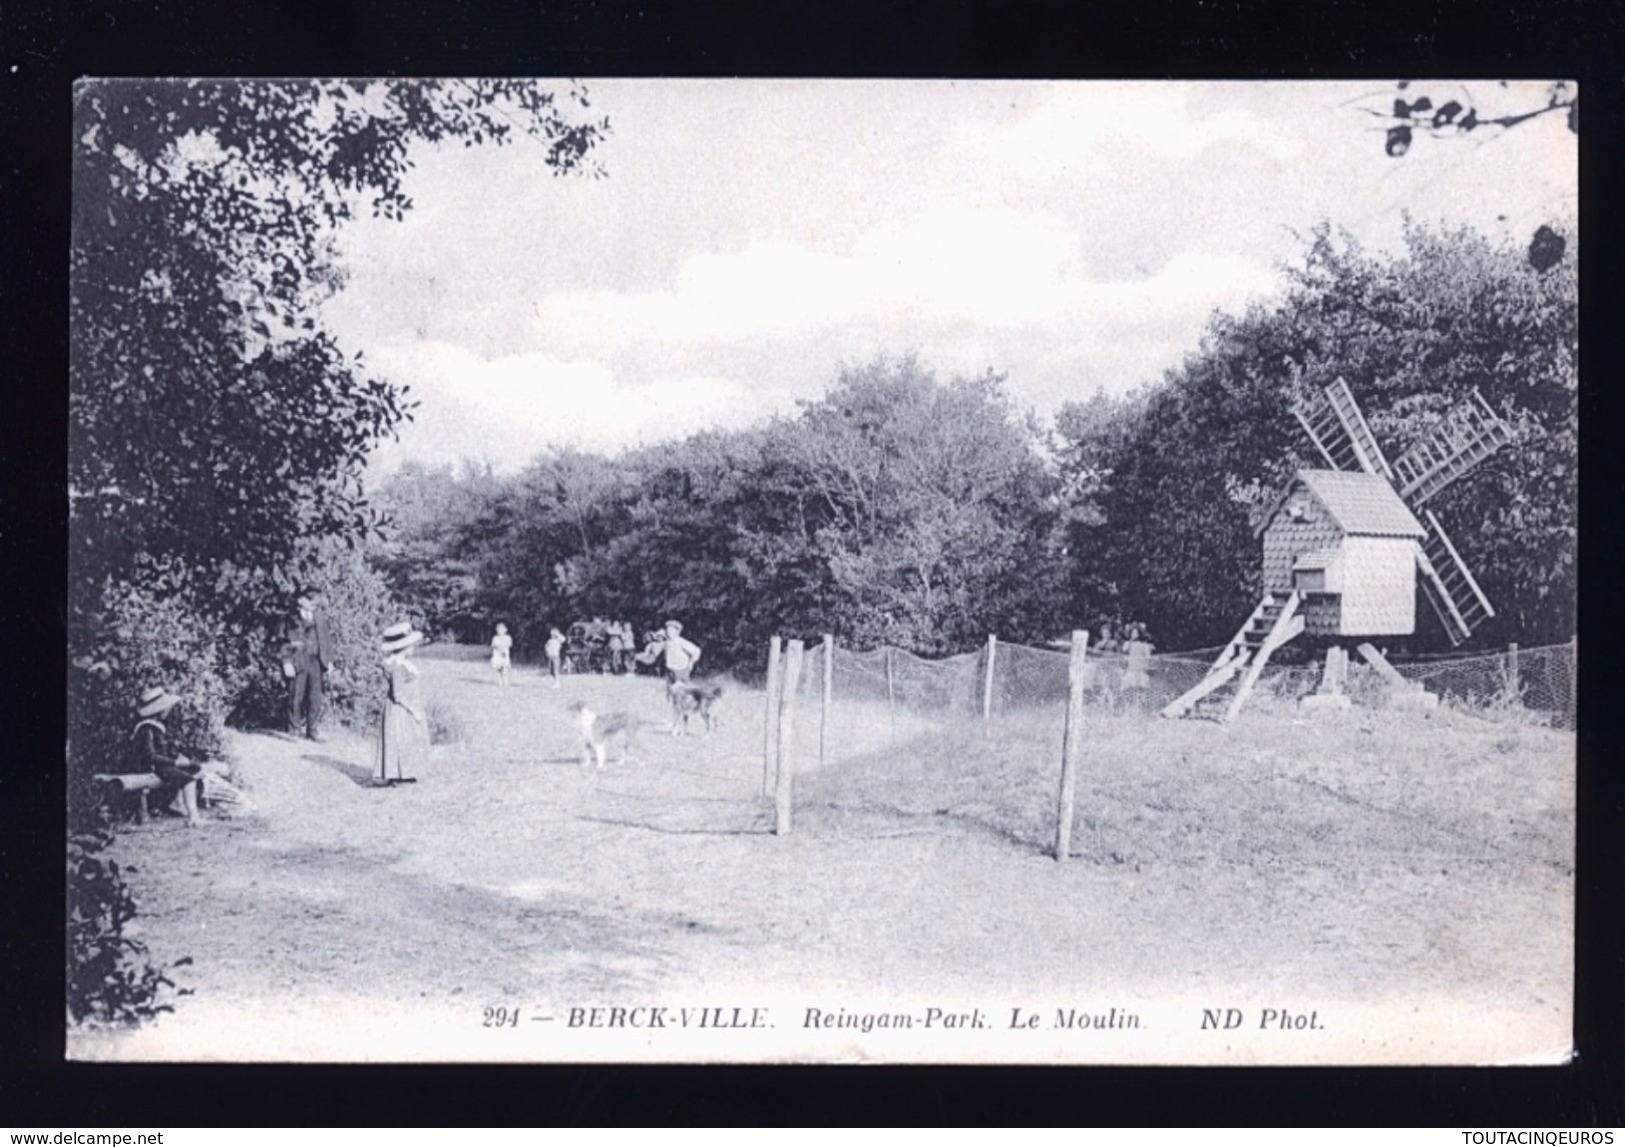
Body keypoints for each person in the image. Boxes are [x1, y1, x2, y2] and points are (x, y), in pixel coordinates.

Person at [377, 621, 426, 785]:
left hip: (404, 708)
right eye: (411, 645)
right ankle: (395, 774)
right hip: (399, 709)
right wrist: (414, 710)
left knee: (407, 740)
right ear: (405, 647)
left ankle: (406, 772)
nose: (413, 648)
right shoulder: (396, 666)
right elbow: (398, 695)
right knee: (398, 739)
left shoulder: (403, 664)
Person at [281, 594, 333, 741]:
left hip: (317, 661)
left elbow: (326, 640)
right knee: (295, 696)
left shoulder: (319, 617)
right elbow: (284, 643)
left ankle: (313, 730)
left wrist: (329, 661)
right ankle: (294, 730)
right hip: (298, 661)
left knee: (315, 697)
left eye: (313, 601)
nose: (312, 603)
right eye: (309, 600)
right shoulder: (291, 619)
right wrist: (287, 663)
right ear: (300, 602)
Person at [636, 619, 703, 683]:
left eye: (671, 630)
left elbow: (697, 651)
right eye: (668, 630)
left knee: (680, 691)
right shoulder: (667, 642)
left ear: (677, 632)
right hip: (670, 670)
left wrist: (691, 663)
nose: (669, 632)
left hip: (681, 670)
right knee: (670, 690)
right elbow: (654, 654)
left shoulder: (681, 642)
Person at [490, 623, 513, 687]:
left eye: (502, 629)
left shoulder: (508, 637)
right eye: (499, 630)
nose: (500, 631)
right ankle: (500, 681)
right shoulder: (495, 638)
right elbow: (493, 645)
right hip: (497, 655)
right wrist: (498, 647)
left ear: (506, 630)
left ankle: (506, 681)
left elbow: (509, 644)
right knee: (499, 669)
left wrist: (503, 647)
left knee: (505, 668)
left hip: (504, 655)